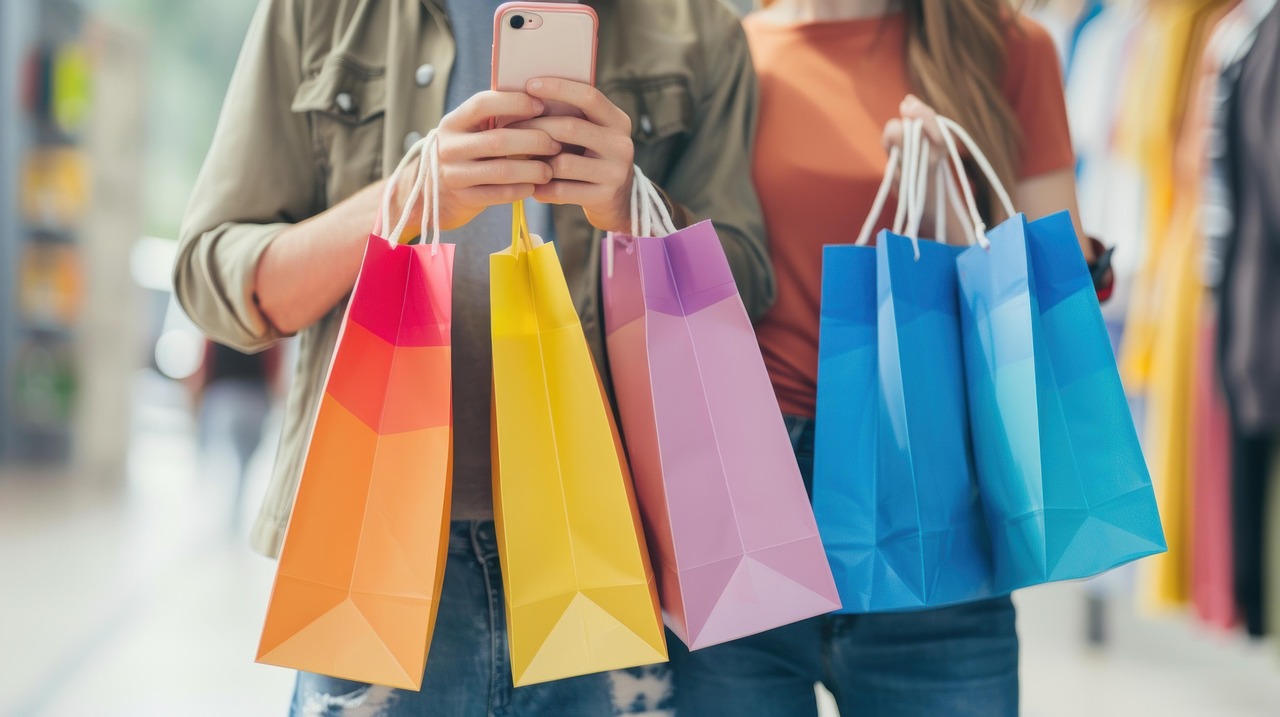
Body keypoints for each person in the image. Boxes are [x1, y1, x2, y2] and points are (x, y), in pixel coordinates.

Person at [173, 0, 772, 714]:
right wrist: (404, 197)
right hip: (372, 552)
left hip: (613, 554)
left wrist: (637, 209)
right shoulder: (318, 13)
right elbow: (214, 278)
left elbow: (747, 289)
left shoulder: (696, 30)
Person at [668, 1, 1111, 716]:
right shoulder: (722, 52)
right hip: (748, 494)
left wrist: (951, 238)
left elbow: (1062, 300)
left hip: (929, 489)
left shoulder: (1002, 46)